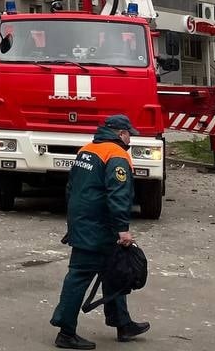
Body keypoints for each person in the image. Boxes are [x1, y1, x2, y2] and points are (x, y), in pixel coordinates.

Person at [50, 113, 150, 349]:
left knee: (114, 271)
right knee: (79, 276)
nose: (130, 139)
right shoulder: (116, 155)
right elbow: (119, 194)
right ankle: (65, 331)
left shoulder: (86, 150)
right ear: (120, 134)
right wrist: (122, 229)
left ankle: (122, 324)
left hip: (85, 221)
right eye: (128, 134)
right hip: (99, 226)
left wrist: (74, 220)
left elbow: (71, 187)